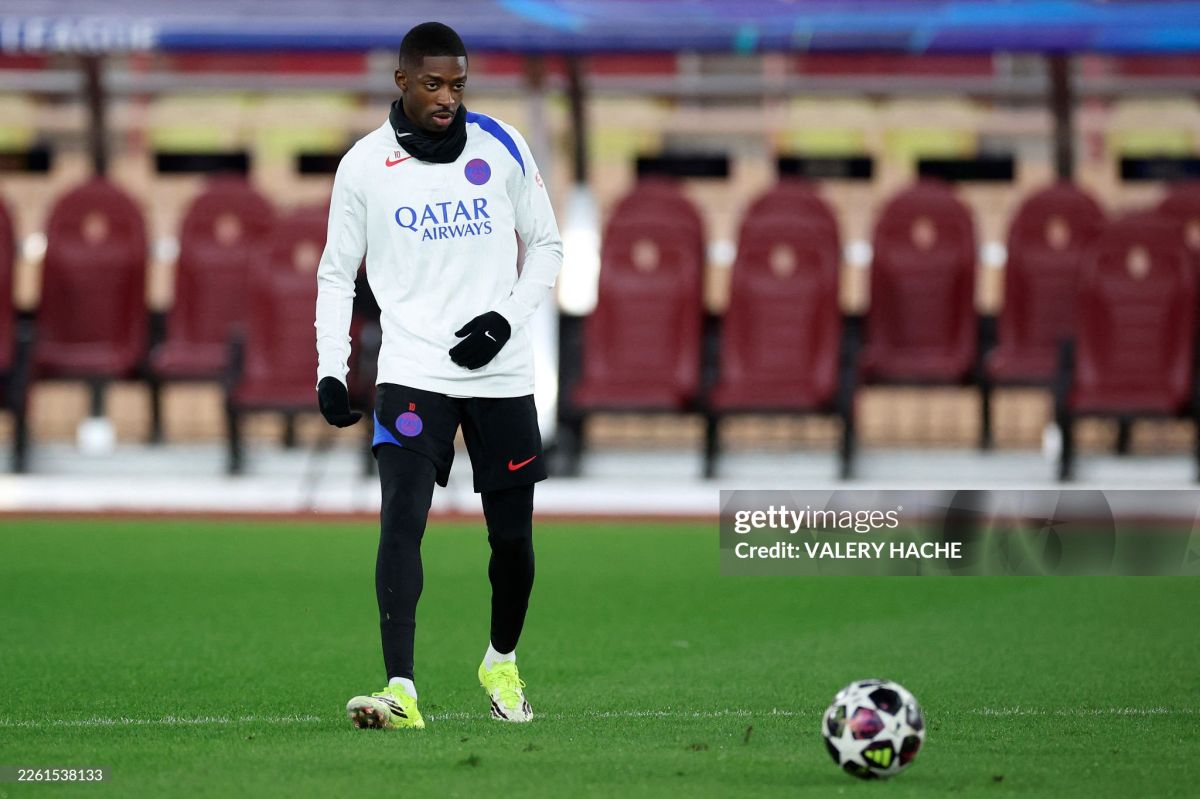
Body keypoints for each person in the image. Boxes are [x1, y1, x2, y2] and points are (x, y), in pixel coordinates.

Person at [313, 21, 562, 729]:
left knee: (512, 539)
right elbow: (336, 274)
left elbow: (547, 245)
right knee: (402, 519)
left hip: (501, 372)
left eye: (458, 84)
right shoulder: (364, 166)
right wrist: (332, 368)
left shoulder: (503, 145)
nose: (448, 97)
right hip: (413, 369)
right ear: (401, 82)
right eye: (432, 84)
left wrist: (504, 321)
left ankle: (501, 661)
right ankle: (400, 690)